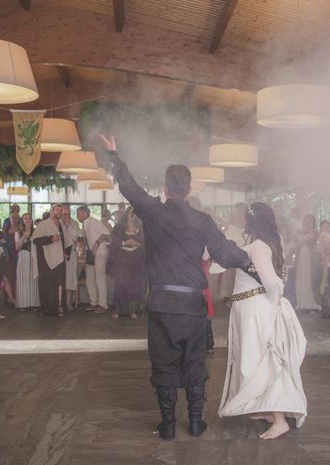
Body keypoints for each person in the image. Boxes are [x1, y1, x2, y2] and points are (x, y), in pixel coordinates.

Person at [100, 134, 261, 441]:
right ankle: (197, 422)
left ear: (165, 188)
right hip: (192, 307)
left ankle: (169, 425)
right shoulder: (202, 220)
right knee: (195, 362)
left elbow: (129, 187)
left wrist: (114, 156)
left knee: (164, 362)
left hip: (162, 303)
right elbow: (227, 252)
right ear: (188, 189)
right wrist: (256, 267)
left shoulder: (153, 211)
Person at [216, 202, 307, 440]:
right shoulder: (272, 242)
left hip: (256, 308)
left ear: (251, 222)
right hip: (253, 306)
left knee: (266, 360)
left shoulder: (257, 246)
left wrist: (276, 301)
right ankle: (266, 408)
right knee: (256, 359)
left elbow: (271, 281)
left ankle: (279, 419)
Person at [33, 204, 71, 317]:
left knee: (60, 283)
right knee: (47, 285)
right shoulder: (43, 224)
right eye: (57, 210)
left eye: (61, 211)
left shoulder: (62, 225)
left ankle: (59, 306)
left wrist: (66, 252)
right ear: (51, 211)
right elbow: (35, 240)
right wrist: (50, 239)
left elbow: (67, 242)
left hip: (60, 259)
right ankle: (47, 309)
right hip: (46, 259)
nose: (59, 212)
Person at [108, 206, 146, 319]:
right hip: (122, 259)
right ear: (126, 213)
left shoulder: (141, 227)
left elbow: (146, 243)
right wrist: (124, 242)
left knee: (134, 285)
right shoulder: (119, 227)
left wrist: (137, 244)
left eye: (134, 213)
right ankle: (117, 310)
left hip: (135, 259)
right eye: (130, 213)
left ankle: (132, 310)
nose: (132, 215)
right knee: (121, 285)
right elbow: (114, 243)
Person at [77, 205, 111, 314]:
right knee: (90, 279)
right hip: (90, 253)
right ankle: (93, 302)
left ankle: (103, 304)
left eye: (78, 213)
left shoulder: (94, 222)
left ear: (85, 213)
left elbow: (107, 233)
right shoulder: (84, 225)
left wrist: (97, 242)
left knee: (99, 278)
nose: (77, 215)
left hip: (99, 252)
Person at [219, 203, 247, 305]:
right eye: (237, 212)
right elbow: (225, 243)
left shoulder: (250, 228)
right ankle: (232, 299)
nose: (239, 214)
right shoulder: (230, 228)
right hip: (233, 259)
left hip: (246, 259)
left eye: (241, 212)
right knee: (232, 280)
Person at [293, 214, 320, 312]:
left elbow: (312, 239)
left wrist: (308, 234)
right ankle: (300, 302)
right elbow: (297, 244)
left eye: (310, 221)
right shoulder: (298, 231)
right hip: (300, 257)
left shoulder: (315, 232)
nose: (308, 222)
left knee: (309, 279)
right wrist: (304, 240)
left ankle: (309, 302)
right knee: (299, 278)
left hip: (311, 258)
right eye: (306, 220)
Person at [15, 213, 39, 311]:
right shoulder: (18, 233)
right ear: (22, 220)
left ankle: (34, 304)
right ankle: (22, 304)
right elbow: (17, 247)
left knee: (33, 280)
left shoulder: (36, 231)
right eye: (26, 218)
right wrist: (23, 237)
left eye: (29, 218)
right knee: (23, 280)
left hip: (34, 256)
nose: (28, 220)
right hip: (23, 256)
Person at [61, 205, 81, 310]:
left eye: (68, 214)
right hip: (58, 253)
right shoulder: (58, 223)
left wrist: (69, 226)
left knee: (69, 278)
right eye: (64, 214)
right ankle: (59, 303)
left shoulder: (74, 223)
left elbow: (78, 236)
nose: (66, 216)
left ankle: (68, 302)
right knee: (59, 279)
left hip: (71, 253)